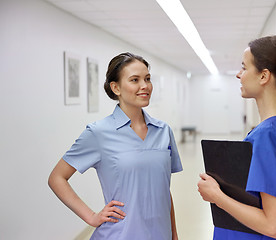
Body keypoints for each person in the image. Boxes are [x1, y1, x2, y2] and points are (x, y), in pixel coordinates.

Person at [48, 52, 183, 240]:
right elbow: (57, 178)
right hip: (119, 234)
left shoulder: (163, 131)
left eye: (147, 79)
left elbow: (163, 190)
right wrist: (92, 216)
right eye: (135, 80)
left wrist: (173, 234)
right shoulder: (98, 133)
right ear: (116, 88)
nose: (145, 86)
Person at [197, 35, 276, 240]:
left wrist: (216, 196)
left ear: (264, 76)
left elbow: (273, 226)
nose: (239, 75)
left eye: (244, 67)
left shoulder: (269, 135)